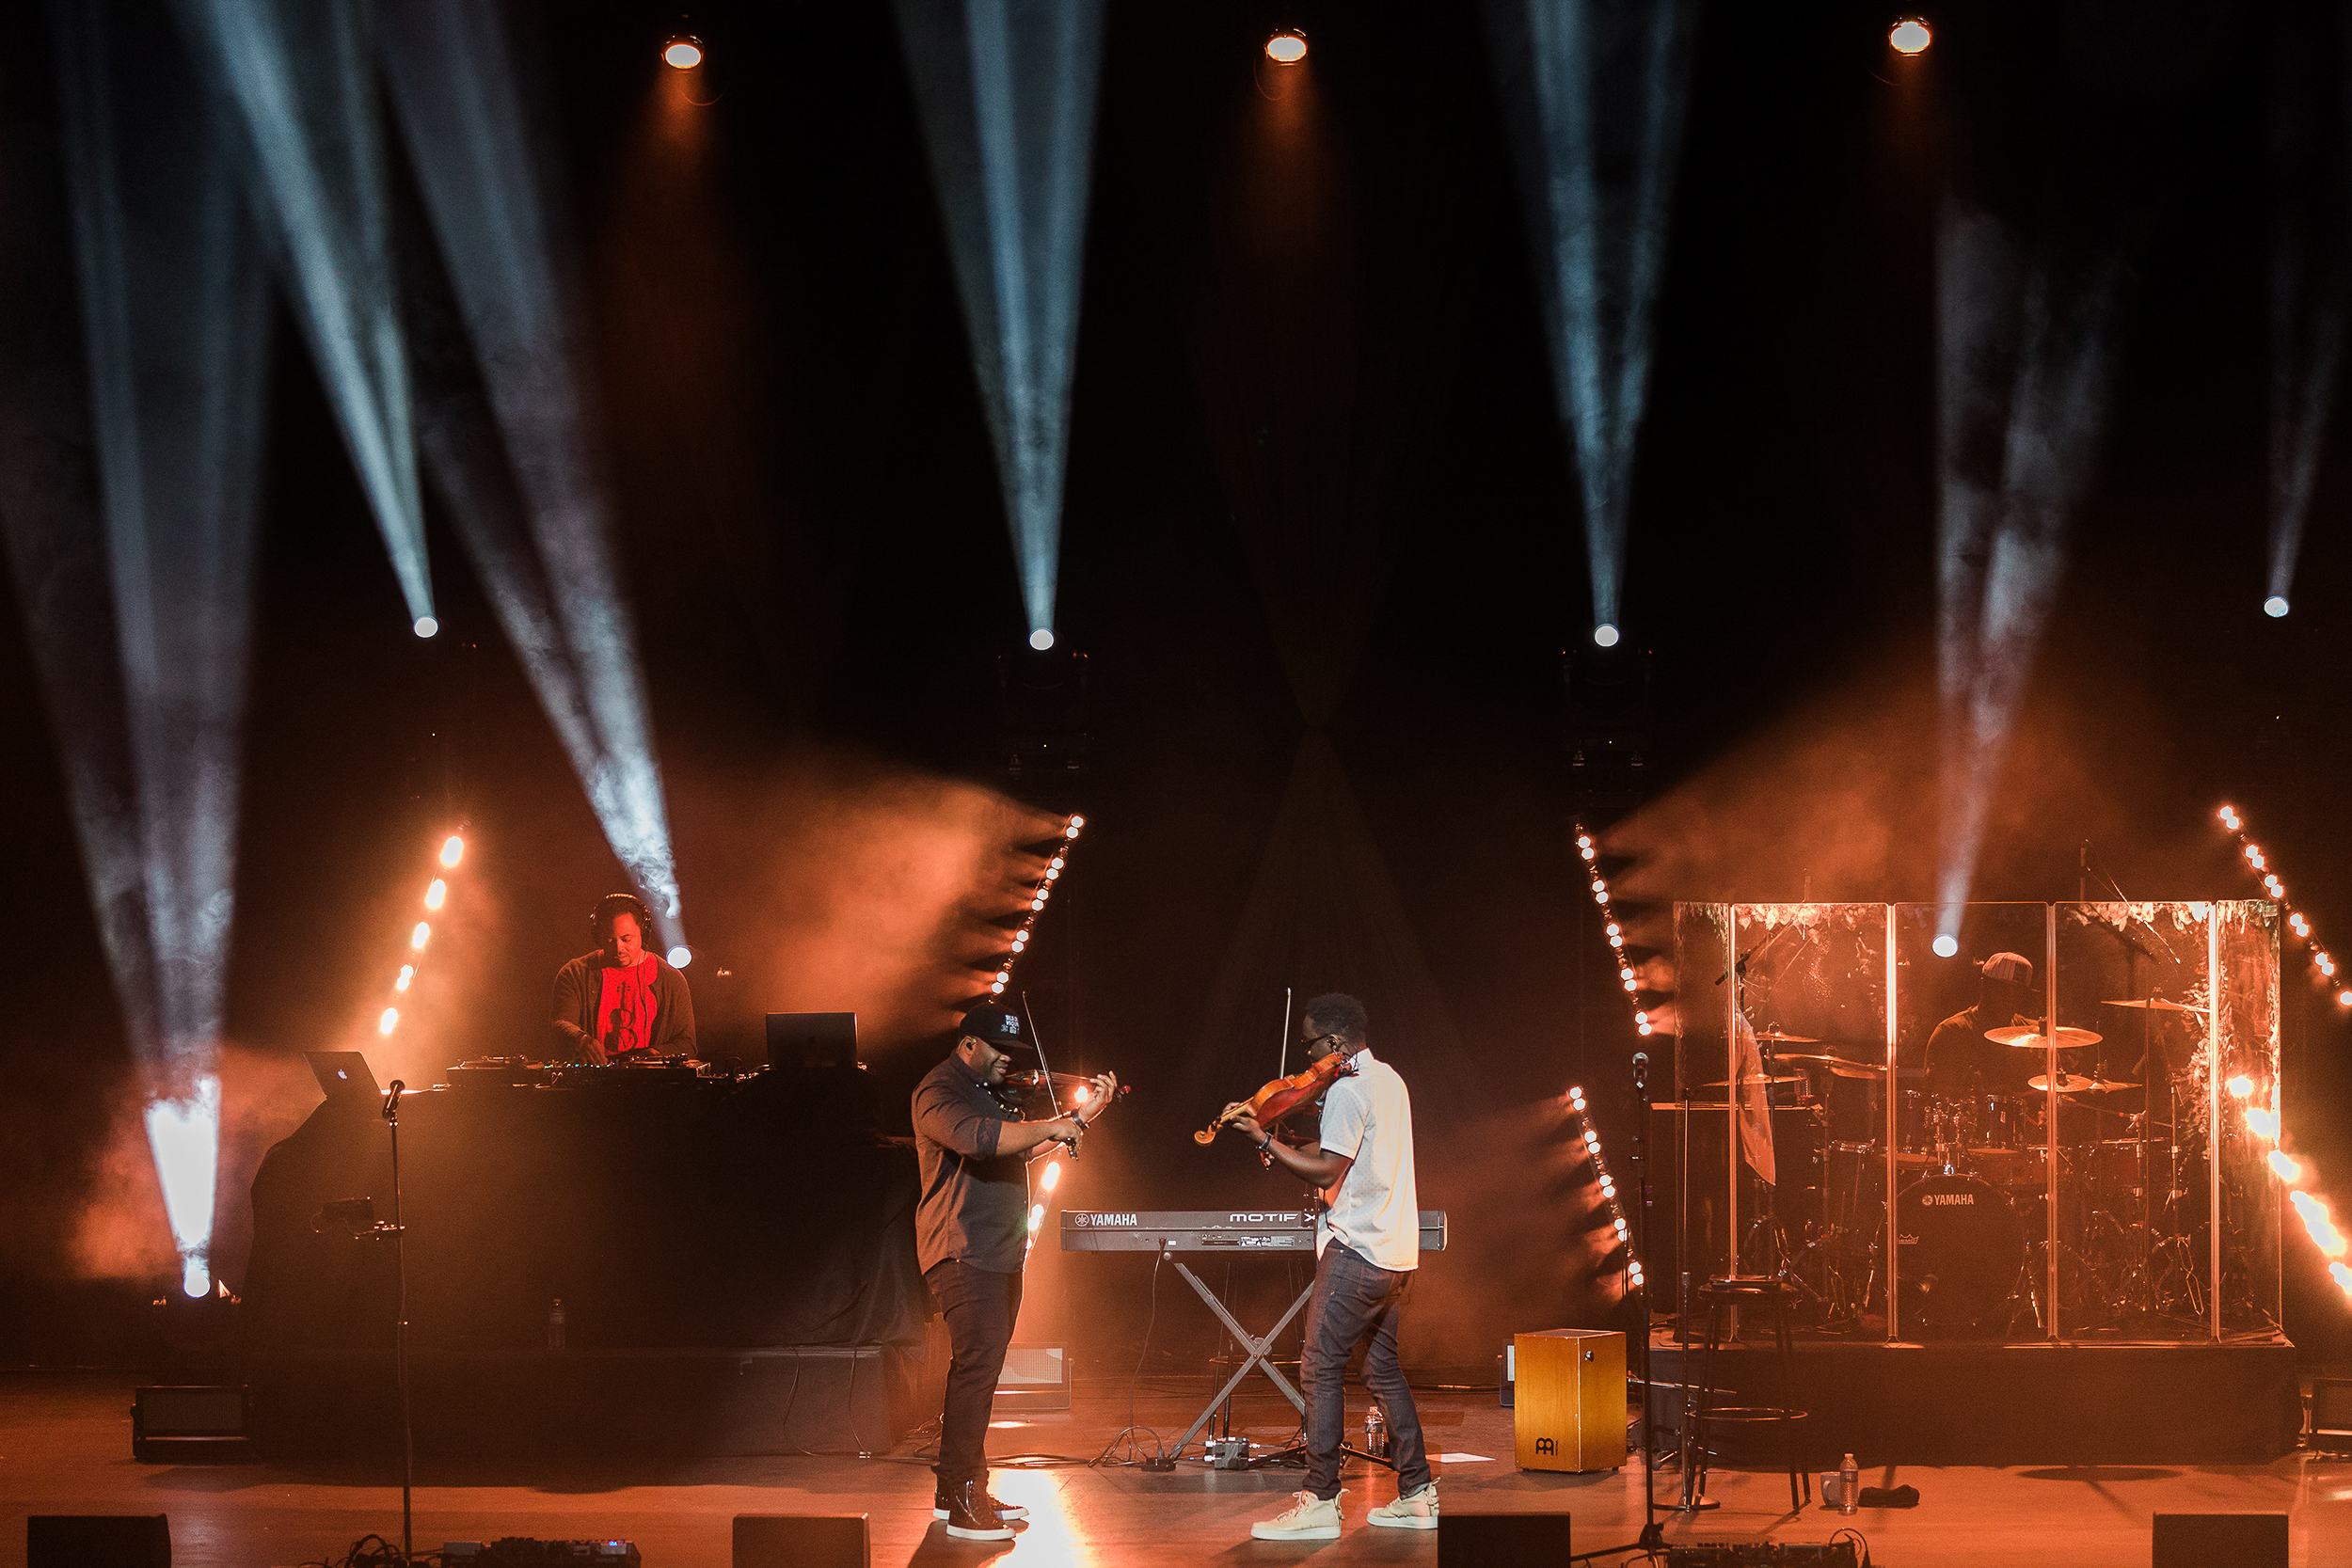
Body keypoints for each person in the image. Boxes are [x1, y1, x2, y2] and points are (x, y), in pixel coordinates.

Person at [1226, 992, 1437, 1540]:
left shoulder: (1346, 1089)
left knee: (1319, 1367)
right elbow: (1349, 1153)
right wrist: (1283, 1140)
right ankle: (1417, 1494)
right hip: (1396, 1254)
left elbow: (1325, 1174)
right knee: (1381, 1371)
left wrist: (1264, 1136)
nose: (1306, 1058)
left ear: (1336, 1042)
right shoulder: (1389, 1080)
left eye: (1312, 1044)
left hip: (1357, 1251)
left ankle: (1320, 1501)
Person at [913, 1004, 1119, 1540]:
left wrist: (1084, 1117)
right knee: (976, 1370)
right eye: (1001, 1051)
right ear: (969, 1045)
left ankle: (957, 1490)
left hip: (999, 1251)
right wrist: (1060, 1121)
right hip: (962, 1249)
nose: (1010, 1061)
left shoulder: (986, 1093)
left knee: (981, 1370)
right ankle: (962, 1499)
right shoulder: (938, 1091)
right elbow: (981, 1141)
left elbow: (1020, 1149)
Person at [549, 894, 696, 1061]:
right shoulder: (575, 973)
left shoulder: (671, 979)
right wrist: (580, 1040)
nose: (619, 948)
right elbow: (560, 1023)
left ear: (643, 933)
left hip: (650, 1084)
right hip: (594, 1083)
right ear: (598, 937)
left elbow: (688, 1044)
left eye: (626, 939)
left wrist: (658, 1053)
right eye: (610, 940)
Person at [1925, 951, 2040, 1098]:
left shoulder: (2032, 1033)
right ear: (1983, 985)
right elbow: (1934, 1092)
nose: (2010, 1000)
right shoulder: (1952, 1032)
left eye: (2018, 994)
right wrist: (1985, 1096)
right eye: (2003, 991)